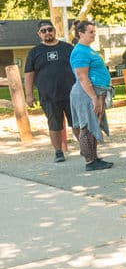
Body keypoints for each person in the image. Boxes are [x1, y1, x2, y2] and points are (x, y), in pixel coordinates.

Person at [24, 20, 77, 163]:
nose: (47, 32)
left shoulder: (67, 48)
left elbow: (79, 68)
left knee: (77, 123)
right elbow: (29, 74)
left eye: (49, 29)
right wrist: (29, 95)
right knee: (54, 125)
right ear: (39, 34)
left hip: (71, 94)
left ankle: (86, 149)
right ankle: (58, 152)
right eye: (43, 31)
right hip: (49, 96)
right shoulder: (34, 52)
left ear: (54, 31)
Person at [69, 20, 114, 171]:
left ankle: (94, 157)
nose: (94, 34)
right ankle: (90, 161)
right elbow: (82, 77)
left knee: (94, 124)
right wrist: (94, 97)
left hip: (95, 91)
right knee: (87, 126)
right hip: (86, 93)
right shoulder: (80, 51)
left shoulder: (88, 49)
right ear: (80, 34)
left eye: (94, 31)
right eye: (91, 32)